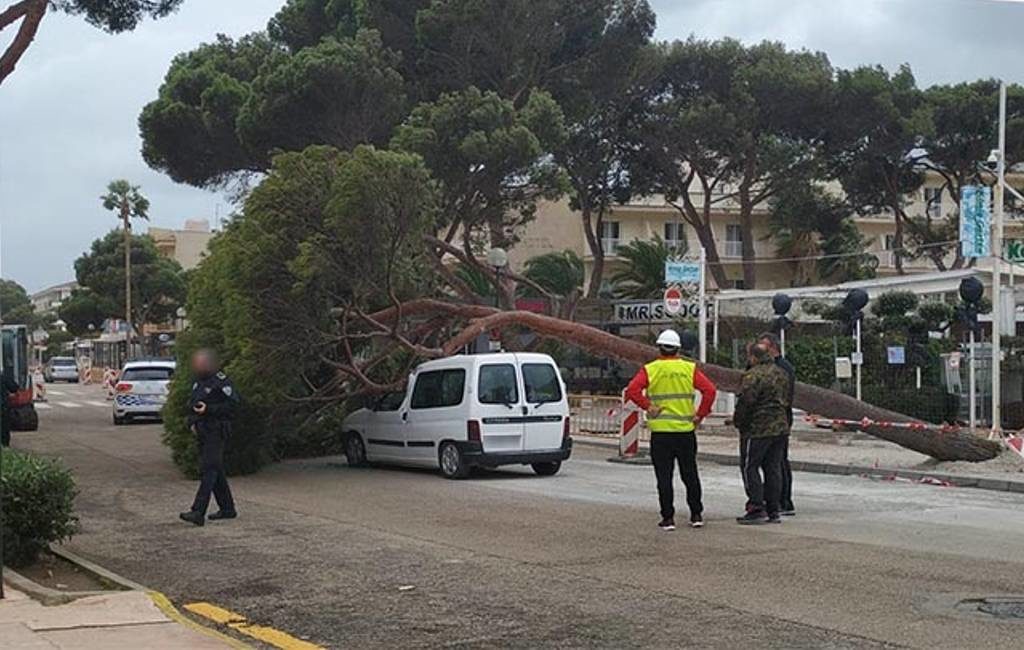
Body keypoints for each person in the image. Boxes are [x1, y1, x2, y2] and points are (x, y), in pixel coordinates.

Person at [626, 329, 717, 531]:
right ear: (678, 349)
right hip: (685, 432)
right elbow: (709, 390)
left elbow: (632, 390)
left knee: (664, 476)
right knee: (690, 474)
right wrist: (700, 414)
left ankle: (668, 518)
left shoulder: (650, 369)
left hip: (661, 434)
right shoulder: (689, 368)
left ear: (659, 348)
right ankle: (696, 514)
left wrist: (648, 406)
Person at [179, 349, 239, 526]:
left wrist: (209, 409)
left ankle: (198, 511)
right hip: (203, 430)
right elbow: (191, 404)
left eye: (202, 362)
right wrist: (192, 423)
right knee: (216, 469)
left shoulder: (221, 382)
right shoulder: (197, 381)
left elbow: (233, 406)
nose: (198, 366)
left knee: (209, 468)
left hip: (217, 430)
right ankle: (227, 508)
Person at [733, 343, 790, 525]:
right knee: (772, 468)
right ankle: (774, 509)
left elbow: (747, 402)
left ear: (753, 357)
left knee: (750, 467)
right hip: (780, 427)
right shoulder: (781, 374)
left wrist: (738, 422)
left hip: (758, 428)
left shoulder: (753, 375)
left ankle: (756, 506)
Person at [758, 332, 796, 516]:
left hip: (779, 420)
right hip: (777, 420)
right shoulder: (776, 366)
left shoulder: (782, 368)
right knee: (775, 462)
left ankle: (783, 500)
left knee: (778, 462)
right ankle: (778, 499)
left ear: (772, 346)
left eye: (762, 345)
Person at [1, 366, 18, 447]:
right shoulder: (3, 377)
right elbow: (14, 387)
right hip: (2, 407)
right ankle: (4, 446)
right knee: (4, 428)